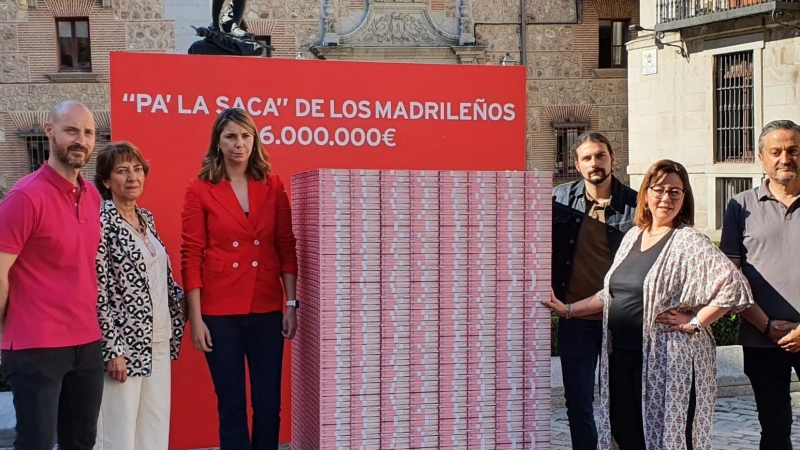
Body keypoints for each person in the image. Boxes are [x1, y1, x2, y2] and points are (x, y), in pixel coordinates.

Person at [544, 159, 754, 449]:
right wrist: (567, 310)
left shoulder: (689, 240)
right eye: (658, 190)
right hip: (622, 358)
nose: (665, 198)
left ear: (684, 197)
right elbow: (612, 293)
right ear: (645, 194)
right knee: (627, 434)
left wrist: (695, 322)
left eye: (675, 192)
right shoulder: (634, 235)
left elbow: (734, 287)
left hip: (667, 363)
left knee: (665, 438)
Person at [181, 108, 299, 450]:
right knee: (230, 405)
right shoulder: (200, 188)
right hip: (219, 312)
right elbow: (191, 253)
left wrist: (290, 303)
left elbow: (285, 245)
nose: (239, 144)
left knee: (268, 405)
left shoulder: (272, 185)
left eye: (246, 136)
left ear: (255, 140)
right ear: (218, 142)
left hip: (265, 306)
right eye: (231, 136)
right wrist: (197, 318)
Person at [0, 100, 104, 449]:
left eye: (88, 133)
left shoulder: (91, 195)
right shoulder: (25, 197)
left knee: (81, 442)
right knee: (37, 443)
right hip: (36, 344)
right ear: (50, 132)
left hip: (86, 341)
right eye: (71, 130)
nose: (81, 140)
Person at [93, 142, 187, 449]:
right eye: (122, 171)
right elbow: (99, 289)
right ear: (106, 181)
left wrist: (190, 302)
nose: (132, 177)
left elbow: (161, 277)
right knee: (118, 435)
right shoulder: (101, 223)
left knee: (155, 429)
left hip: (158, 340)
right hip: (124, 345)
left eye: (137, 169)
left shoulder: (147, 219)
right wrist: (112, 349)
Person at [551, 132, 637, 450]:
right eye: (587, 158)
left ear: (612, 159)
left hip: (622, 320)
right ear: (577, 164)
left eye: (600, 155)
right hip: (576, 319)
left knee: (624, 400)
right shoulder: (560, 199)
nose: (594, 163)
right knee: (579, 401)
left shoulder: (637, 204)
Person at [719, 119, 800, 450]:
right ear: (761, 157)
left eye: (793, 150)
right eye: (776, 151)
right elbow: (731, 277)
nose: (785, 158)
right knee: (775, 425)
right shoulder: (740, 206)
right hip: (761, 339)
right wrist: (766, 326)